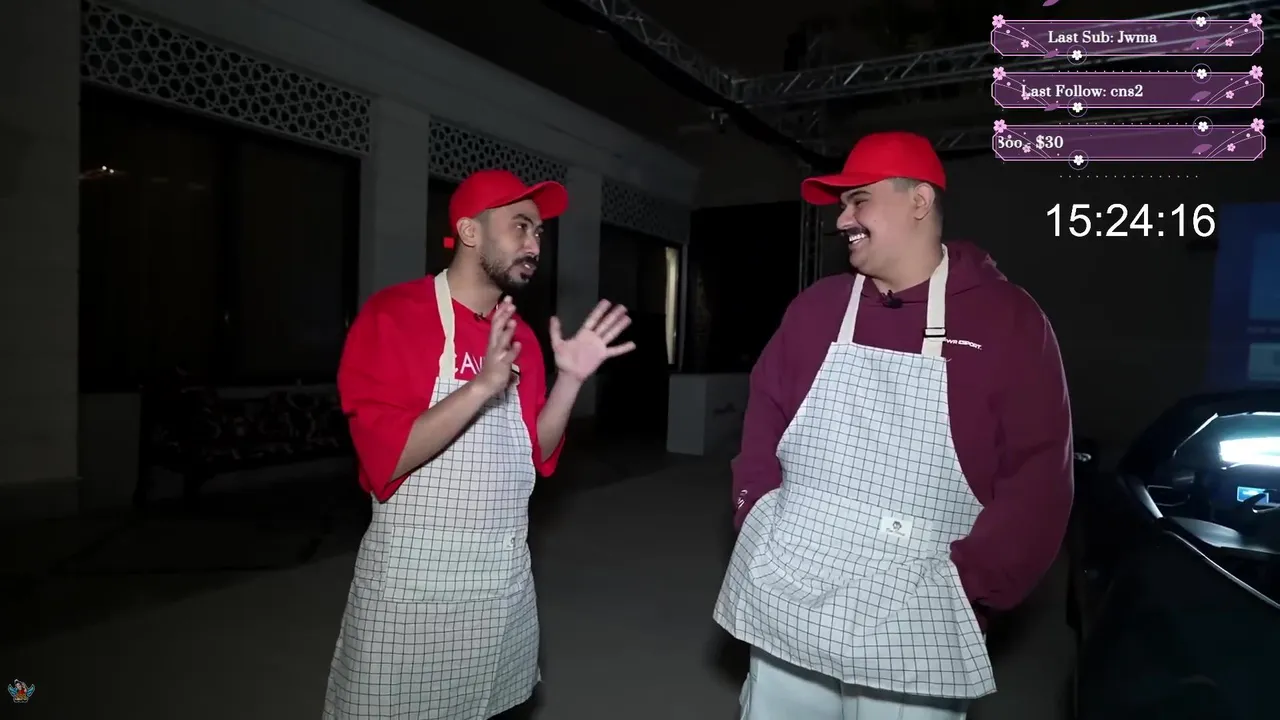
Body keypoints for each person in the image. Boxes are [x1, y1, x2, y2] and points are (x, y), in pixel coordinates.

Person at [713, 132, 1073, 719]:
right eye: (841, 205)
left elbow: (1038, 477)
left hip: (918, 605)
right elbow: (763, 417)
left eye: (859, 200)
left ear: (919, 201)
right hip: (789, 585)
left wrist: (972, 583)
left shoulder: (1009, 320)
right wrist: (753, 512)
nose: (841, 220)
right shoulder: (816, 309)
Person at [323, 169, 636, 720]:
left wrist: (570, 380)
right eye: (520, 226)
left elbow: (535, 453)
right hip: (411, 588)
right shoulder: (393, 316)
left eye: (538, 232)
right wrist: (482, 386)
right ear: (470, 232)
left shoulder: (522, 338)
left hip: (499, 584)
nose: (534, 244)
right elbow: (386, 459)